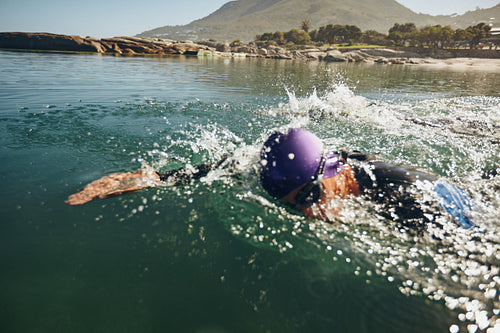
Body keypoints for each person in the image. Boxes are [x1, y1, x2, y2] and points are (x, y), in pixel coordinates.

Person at [66, 128, 475, 229]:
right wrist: (153, 178)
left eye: (312, 194)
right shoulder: (284, 174)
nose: (310, 211)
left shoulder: (412, 200)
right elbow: (230, 164)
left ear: (333, 171)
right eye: (295, 203)